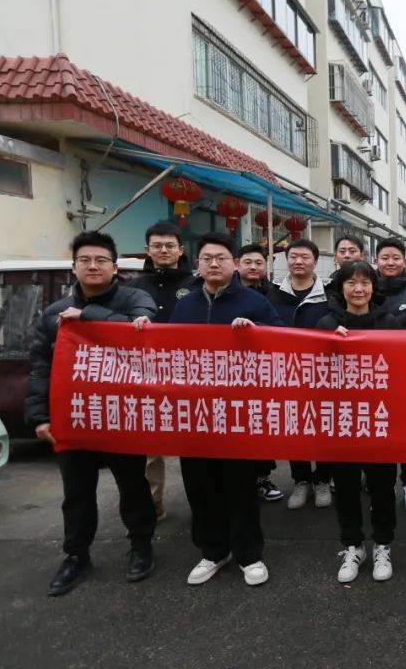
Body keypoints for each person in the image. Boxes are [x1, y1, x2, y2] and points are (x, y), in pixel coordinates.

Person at [25, 230, 157, 596]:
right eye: (85, 260)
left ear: (114, 267)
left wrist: (87, 315)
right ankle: (76, 555)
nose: (93, 266)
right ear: (74, 267)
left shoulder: (135, 298)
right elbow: (40, 367)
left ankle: (141, 545)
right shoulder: (53, 314)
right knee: (77, 491)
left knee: (132, 485)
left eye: (101, 260)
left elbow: (142, 330)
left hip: (122, 414)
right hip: (74, 416)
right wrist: (40, 416)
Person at [165, 232, 284, 587]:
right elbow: (166, 351)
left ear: (234, 264)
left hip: (238, 413)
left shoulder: (253, 301)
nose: (214, 264)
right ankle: (213, 551)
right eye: (207, 258)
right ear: (197, 264)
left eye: (221, 258)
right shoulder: (185, 304)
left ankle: (249, 554)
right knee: (200, 486)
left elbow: (281, 339)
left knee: (240, 487)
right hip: (195, 412)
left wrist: (257, 331)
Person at [316, 260, 401, 583]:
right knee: (346, 487)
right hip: (342, 420)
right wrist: (328, 342)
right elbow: (312, 368)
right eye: (351, 283)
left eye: (365, 283)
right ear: (341, 288)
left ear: (373, 288)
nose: (359, 289)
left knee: (382, 488)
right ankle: (352, 545)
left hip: (381, 419)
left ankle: (383, 544)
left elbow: (402, 365)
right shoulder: (326, 322)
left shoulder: (389, 322)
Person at [126, 221, 194, 521]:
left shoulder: (197, 284)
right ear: (147, 250)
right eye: (157, 245)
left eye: (170, 245)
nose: (164, 250)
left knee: (195, 442)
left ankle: (204, 506)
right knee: (149, 447)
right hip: (146, 375)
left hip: (190, 374)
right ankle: (153, 506)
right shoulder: (132, 288)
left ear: (181, 250)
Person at [266, 239, 335, 511]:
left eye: (305, 257)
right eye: (293, 256)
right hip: (286, 374)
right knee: (294, 428)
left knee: (324, 428)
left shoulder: (329, 294)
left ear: (315, 262)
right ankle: (302, 479)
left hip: (324, 375)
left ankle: (323, 479)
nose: (298, 261)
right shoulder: (273, 294)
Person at [375, 238, 406, 511]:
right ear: (376, 261)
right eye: (385, 257)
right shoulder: (366, 290)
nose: (390, 262)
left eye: (395, 257)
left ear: (404, 261)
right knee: (379, 430)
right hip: (373, 374)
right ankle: (381, 486)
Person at [236, 243, 285, 502]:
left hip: (264, 373)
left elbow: (280, 328)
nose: (253, 267)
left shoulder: (275, 294)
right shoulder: (224, 292)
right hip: (229, 374)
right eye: (248, 262)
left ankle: (262, 477)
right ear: (237, 264)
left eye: (259, 263)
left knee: (262, 427)